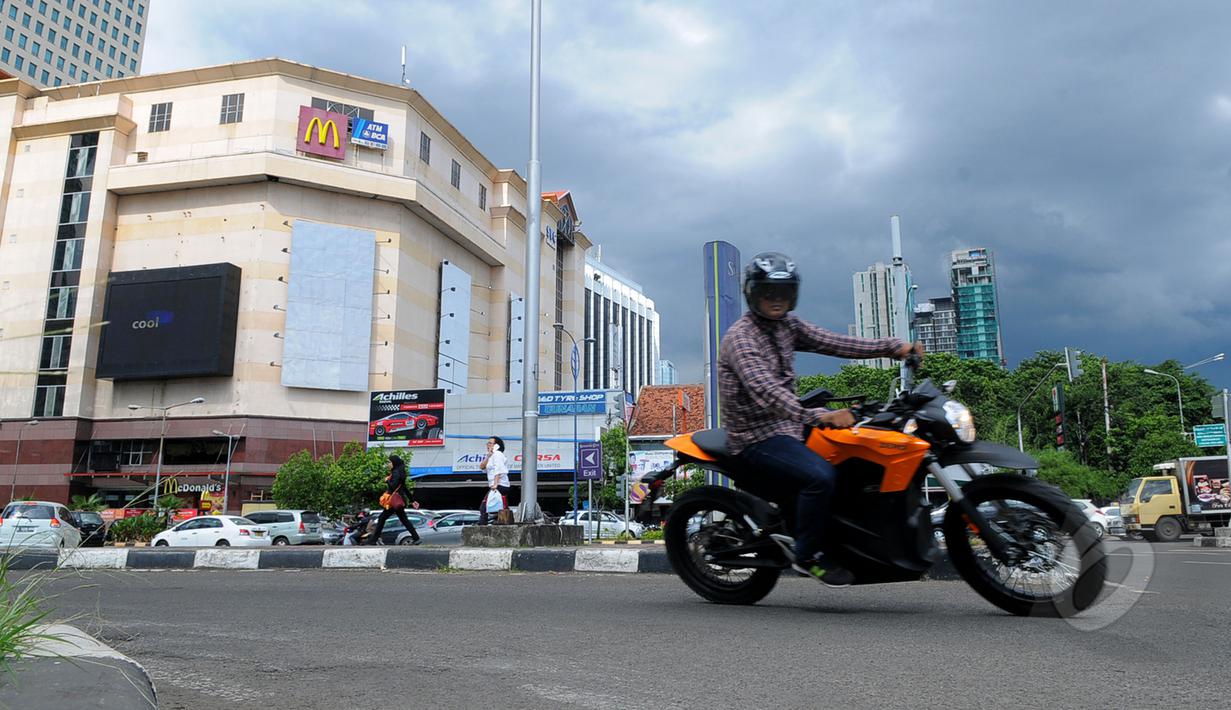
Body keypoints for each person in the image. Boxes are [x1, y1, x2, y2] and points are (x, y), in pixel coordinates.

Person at [718, 252, 922, 587]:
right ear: (752, 293)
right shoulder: (741, 338)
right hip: (755, 436)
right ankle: (808, 555)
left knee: (853, 462)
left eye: (783, 292)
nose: (776, 299)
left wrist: (893, 347)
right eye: (768, 291)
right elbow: (766, 389)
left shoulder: (787, 326)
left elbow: (835, 342)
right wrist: (818, 416)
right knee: (820, 478)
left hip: (790, 426)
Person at [367, 454, 421, 545]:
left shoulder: (395, 473)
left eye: (389, 462)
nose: (388, 464)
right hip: (399, 501)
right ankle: (416, 538)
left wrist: (387, 480)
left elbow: (393, 486)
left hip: (393, 502)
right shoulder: (400, 472)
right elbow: (404, 488)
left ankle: (373, 540)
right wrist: (412, 500)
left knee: (382, 518)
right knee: (404, 520)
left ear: (394, 463)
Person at [478, 436, 511, 525]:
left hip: (500, 484)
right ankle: (503, 521)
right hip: (496, 484)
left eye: (490, 443)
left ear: (497, 445)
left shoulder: (498, 454)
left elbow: (499, 469)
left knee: (484, 506)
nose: (488, 444)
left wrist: (495, 484)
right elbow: (482, 467)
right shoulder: (491, 455)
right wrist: (488, 456)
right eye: (488, 443)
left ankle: (482, 524)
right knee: (501, 506)